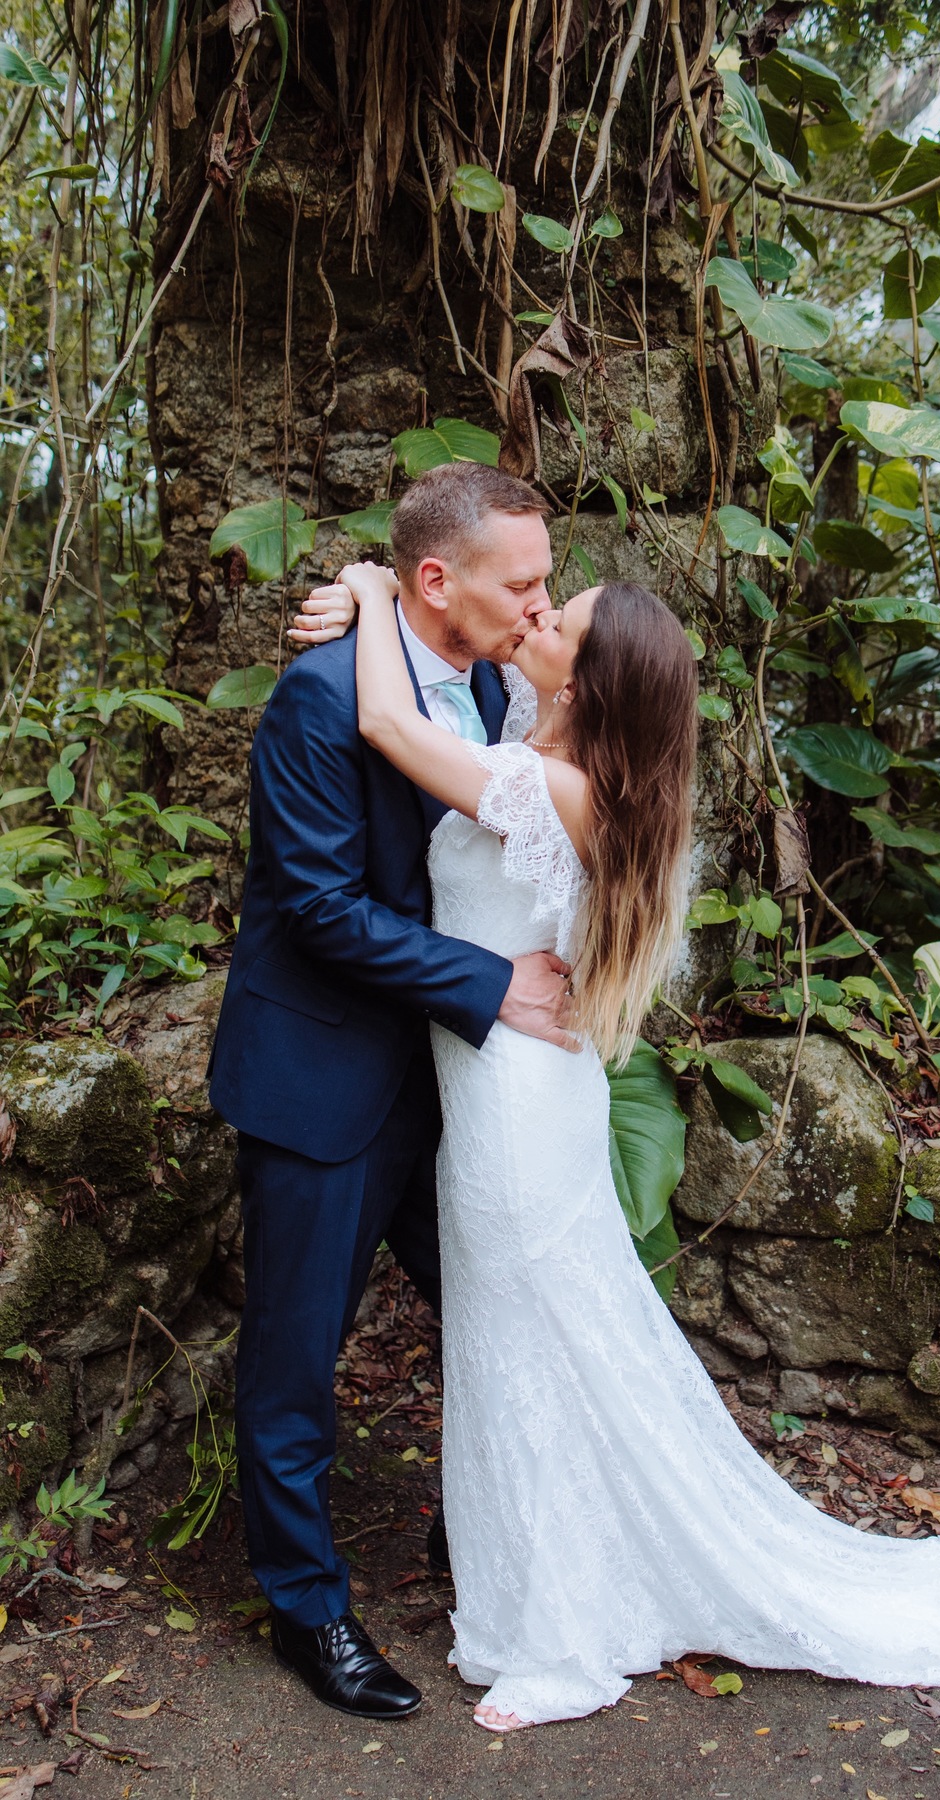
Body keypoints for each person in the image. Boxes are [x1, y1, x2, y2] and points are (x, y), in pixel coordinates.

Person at [297, 556, 940, 1734]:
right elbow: (421, 707)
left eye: (560, 620)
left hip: (516, 1117)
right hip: (516, 1096)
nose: (536, 613)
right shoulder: (546, 761)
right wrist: (380, 599)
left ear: (587, 688)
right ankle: (550, 1591)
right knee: (526, 1353)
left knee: (528, 1356)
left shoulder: (553, 789)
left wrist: (370, 586)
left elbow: (386, 716)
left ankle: (561, 1638)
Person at [206, 463, 576, 1722]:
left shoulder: (490, 683)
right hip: (319, 1072)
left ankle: (473, 1539)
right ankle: (307, 1609)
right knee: (295, 1362)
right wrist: (494, 984)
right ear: (436, 580)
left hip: (446, 1085)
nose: (541, 603)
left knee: (492, 1308)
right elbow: (318, 910)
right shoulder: (318, 700)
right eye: (521, 581)